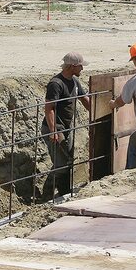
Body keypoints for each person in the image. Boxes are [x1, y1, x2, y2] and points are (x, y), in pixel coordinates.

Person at [41, 51, 92, 199]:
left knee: (67, 161)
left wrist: (97, 113)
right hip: (55, 128)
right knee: (61, 163)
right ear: (72, 66)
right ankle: (47, 196)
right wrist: (53, 131)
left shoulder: (74, 81)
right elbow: (49, 108)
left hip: (67, 128)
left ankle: (64, 192)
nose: (82, 69)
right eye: (80, 66)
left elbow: (84, 99)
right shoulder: (56, 84)